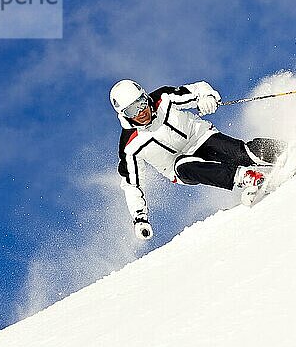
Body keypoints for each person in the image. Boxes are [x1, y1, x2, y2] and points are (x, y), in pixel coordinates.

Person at [109, 80, 284, 240]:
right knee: (183, 164)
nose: (141, 112)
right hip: (179, 166)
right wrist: (139, 217)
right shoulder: (130, 145)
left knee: (242, 154)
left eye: (141, 103)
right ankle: (245, 177)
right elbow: (132, 185)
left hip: (201, 137)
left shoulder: (163, 98)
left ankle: (289, 150)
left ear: (146, 97)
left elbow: (197, 89)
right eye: (132, 110)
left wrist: (206, 97)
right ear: (124, 115)